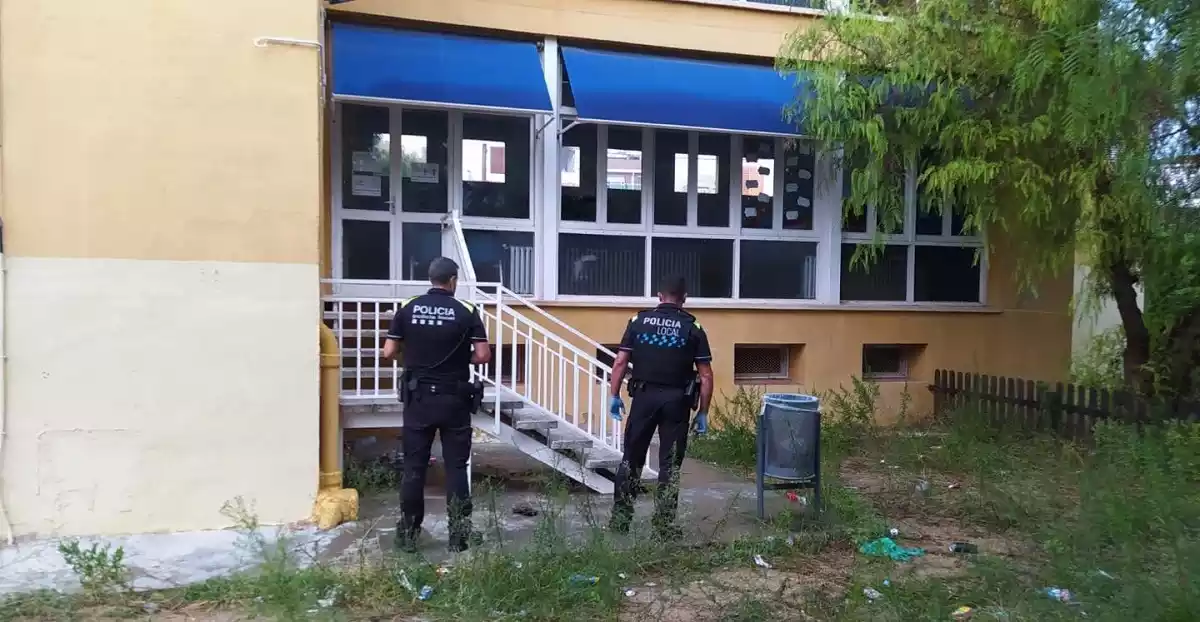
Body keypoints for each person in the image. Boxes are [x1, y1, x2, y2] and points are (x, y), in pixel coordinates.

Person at [382, 257, 492, 553]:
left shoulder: (408, 307)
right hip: (454, 400)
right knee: (456, 467)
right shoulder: (467, 310)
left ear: (431, 279)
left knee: (414, 468)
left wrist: (414, 357)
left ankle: (408, 535)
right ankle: (459, 536)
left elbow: (389, 350)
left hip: (419, 401)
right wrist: (460, 359)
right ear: (453, 281)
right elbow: (482, 355)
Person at [607, 275, 714, 538]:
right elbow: (707, 375)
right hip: (677, 403)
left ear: (659, 295)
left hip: (643, 399)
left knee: (631, 460)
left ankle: (621, 522)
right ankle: (663, 527)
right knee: (669, 465)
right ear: (684, 298)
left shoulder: (638, 321)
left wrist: (614, 395)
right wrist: (703, 412)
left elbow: (620, 362)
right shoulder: (693, 327)